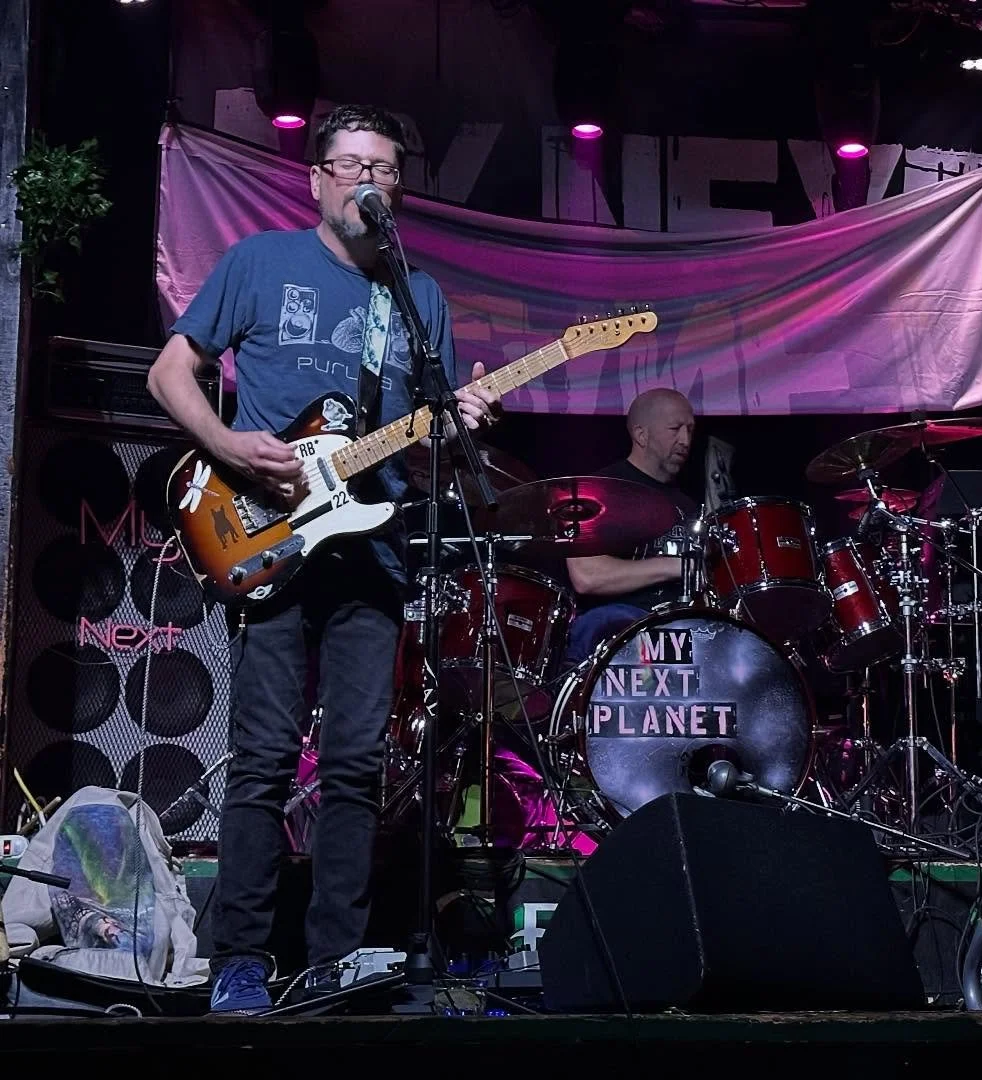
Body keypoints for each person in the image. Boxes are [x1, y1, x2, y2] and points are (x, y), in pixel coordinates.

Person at [148, 104, 500, 1013]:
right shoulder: (260, 263)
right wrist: (227, 443)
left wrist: (453, 431)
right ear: (316, 180)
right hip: (266, 533)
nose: (364, 180)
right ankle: (240, 957)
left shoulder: (417, 301)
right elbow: (169, 372)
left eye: (381, 168)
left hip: (371, 551)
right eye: (346, 165)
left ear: (398, 189)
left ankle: (335, 957)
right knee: (264, 758)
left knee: (354, 765)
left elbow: (421, 460)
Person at [564, 388, 699, 662]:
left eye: (690, 430)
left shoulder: (689, 506)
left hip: (684, 641)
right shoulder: (596, 492)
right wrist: (676, 566)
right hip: (613, 643)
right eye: (675, 429)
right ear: (641, 435)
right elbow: (586, 576)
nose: (685, 440)